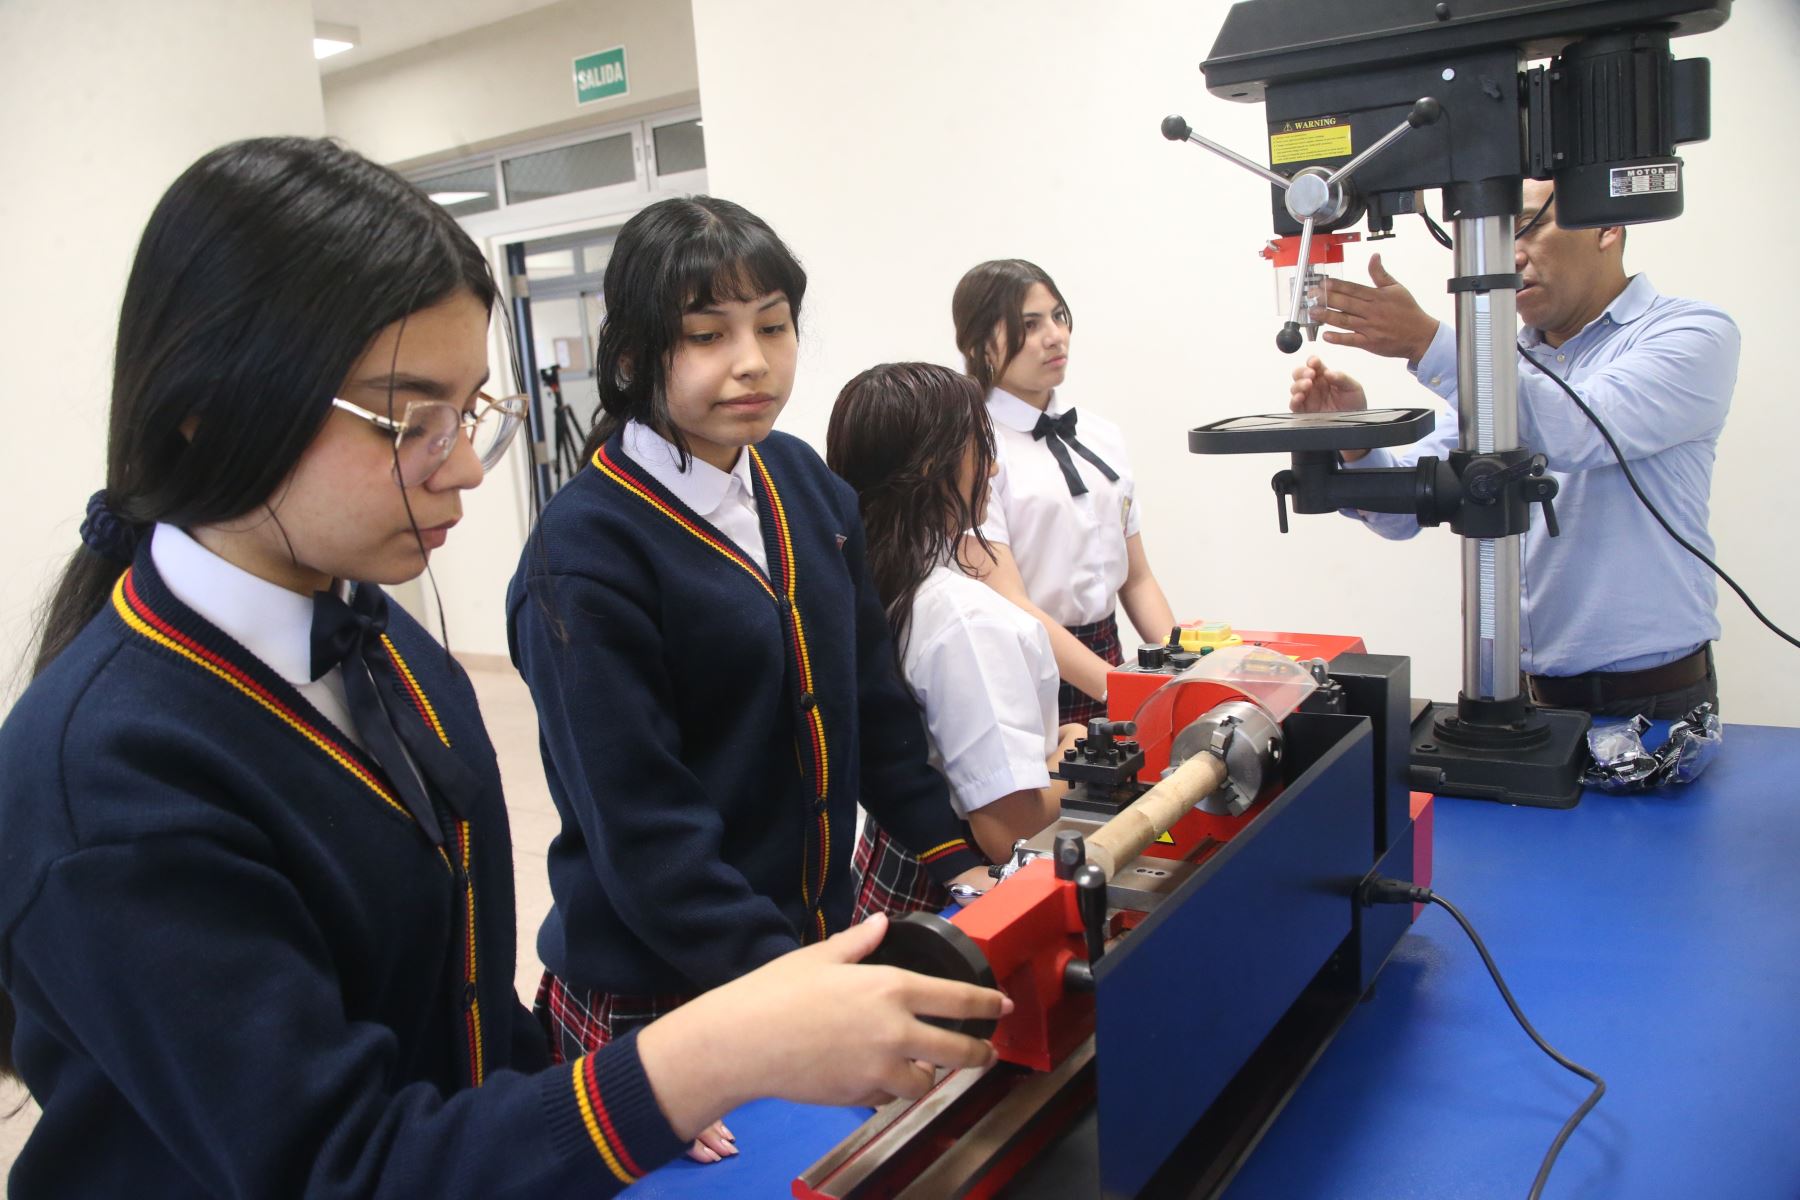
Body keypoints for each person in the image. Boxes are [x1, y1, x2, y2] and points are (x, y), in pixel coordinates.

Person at [0, 137, 1008, 1198]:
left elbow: (459, 1013)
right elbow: (336, 1166)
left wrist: (601, 1099)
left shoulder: (393, 653)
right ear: (208, 411)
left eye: (471, 411)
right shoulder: (111, 785)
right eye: (407, 420)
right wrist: (685, 1063)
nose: (470, 468)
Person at [505, 199, 994, 1140]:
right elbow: (651, 841)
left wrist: (962, 863)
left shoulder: (805, 484)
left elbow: (879, 720)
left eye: (773, 325)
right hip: (661, 992)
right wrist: (785, 1002)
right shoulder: (587, 554)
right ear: (633, 358)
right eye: (706, 334)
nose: (753, 360)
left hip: (797, 955)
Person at [1291, 179, 1739, 718]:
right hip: (1520, 698)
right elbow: (1404, 515)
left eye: (1527, 225)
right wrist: (1358, 444)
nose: (1511, 255)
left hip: (1650, 703)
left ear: (1607, 225)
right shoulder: (1505, 364)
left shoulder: (1691, 334)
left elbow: (1578, 428)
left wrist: (1427, 342)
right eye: (1495, 237)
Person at [825, 363, 1084, 917]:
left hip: (890, 870)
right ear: (929, 467)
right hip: (953, 895)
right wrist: (1074, 756)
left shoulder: (876, 580)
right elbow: (1007, 828)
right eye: (979, 448)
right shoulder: (963, 618)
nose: (992, 467)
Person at [952, 259, 1178, 727]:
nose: (1055, 336)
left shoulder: (1101, 434)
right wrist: (1117, 688)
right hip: (1026, 667)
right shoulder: (971, 449)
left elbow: (1136, 578)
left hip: (1108, 655)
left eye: (1058, 316)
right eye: (1028, 325)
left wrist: (1183, 668)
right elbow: (1008, 600)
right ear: (979, 344)